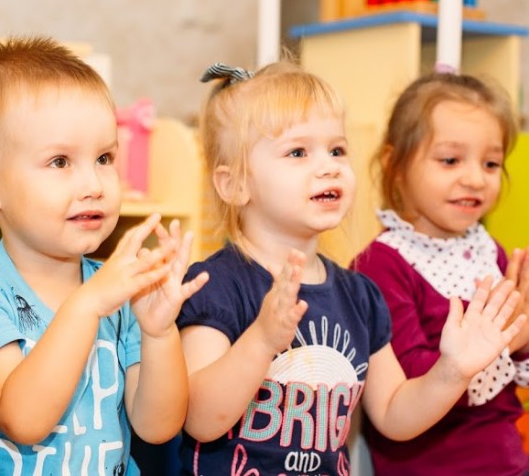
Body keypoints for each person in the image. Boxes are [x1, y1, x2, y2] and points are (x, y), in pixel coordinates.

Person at [176, 62, 525, 475]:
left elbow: (394, 415)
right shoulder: (213, 285)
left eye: (337, 150)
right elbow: (200, 420)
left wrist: (453, 371)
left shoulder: (359, 295)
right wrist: (262, 340)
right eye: (298, 152)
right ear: (234, 184)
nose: (329, 167)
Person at [0, 36, 209, 475]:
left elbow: (158, 427)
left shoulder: (118, 294)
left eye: (104, 158)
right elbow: (23, 420)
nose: (93, 185)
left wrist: (159, 334)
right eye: (60, 162)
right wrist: (87, 304)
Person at [351, 72, 529, 475]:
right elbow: (409, 382)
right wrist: (505, 345)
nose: (475, 179)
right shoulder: (381, 265)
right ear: (395, 165)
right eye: (450, 160)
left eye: (491, 163)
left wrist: (523, 338)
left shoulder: (489, 251)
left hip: (507, 462)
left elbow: (514, 378)